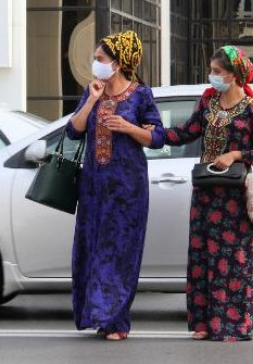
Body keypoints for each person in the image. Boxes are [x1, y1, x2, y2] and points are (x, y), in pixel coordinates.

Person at [162, 45, 253, 341]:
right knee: (202, 256)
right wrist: (152, 133)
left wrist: (235, 154)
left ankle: (232, 325)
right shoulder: (208, 103)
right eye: (211, 71)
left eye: (217, 72)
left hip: (235, 198)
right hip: (205, 195)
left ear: (235, 76)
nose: (212, 77)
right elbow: (186, 133)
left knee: (234, 260)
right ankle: (203, 323)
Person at [65, 30, 165, 341]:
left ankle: (117, 321)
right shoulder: (92, 90)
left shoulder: (140, 96)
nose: (95, 64)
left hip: (127, 188)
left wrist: (128, 127)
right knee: (93, 249)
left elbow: (158, 137)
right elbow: (73, 132)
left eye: (100, 59)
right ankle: (95, 314)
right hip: (94, 187)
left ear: (118, 63)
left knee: (121, 252)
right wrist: (91, 101)